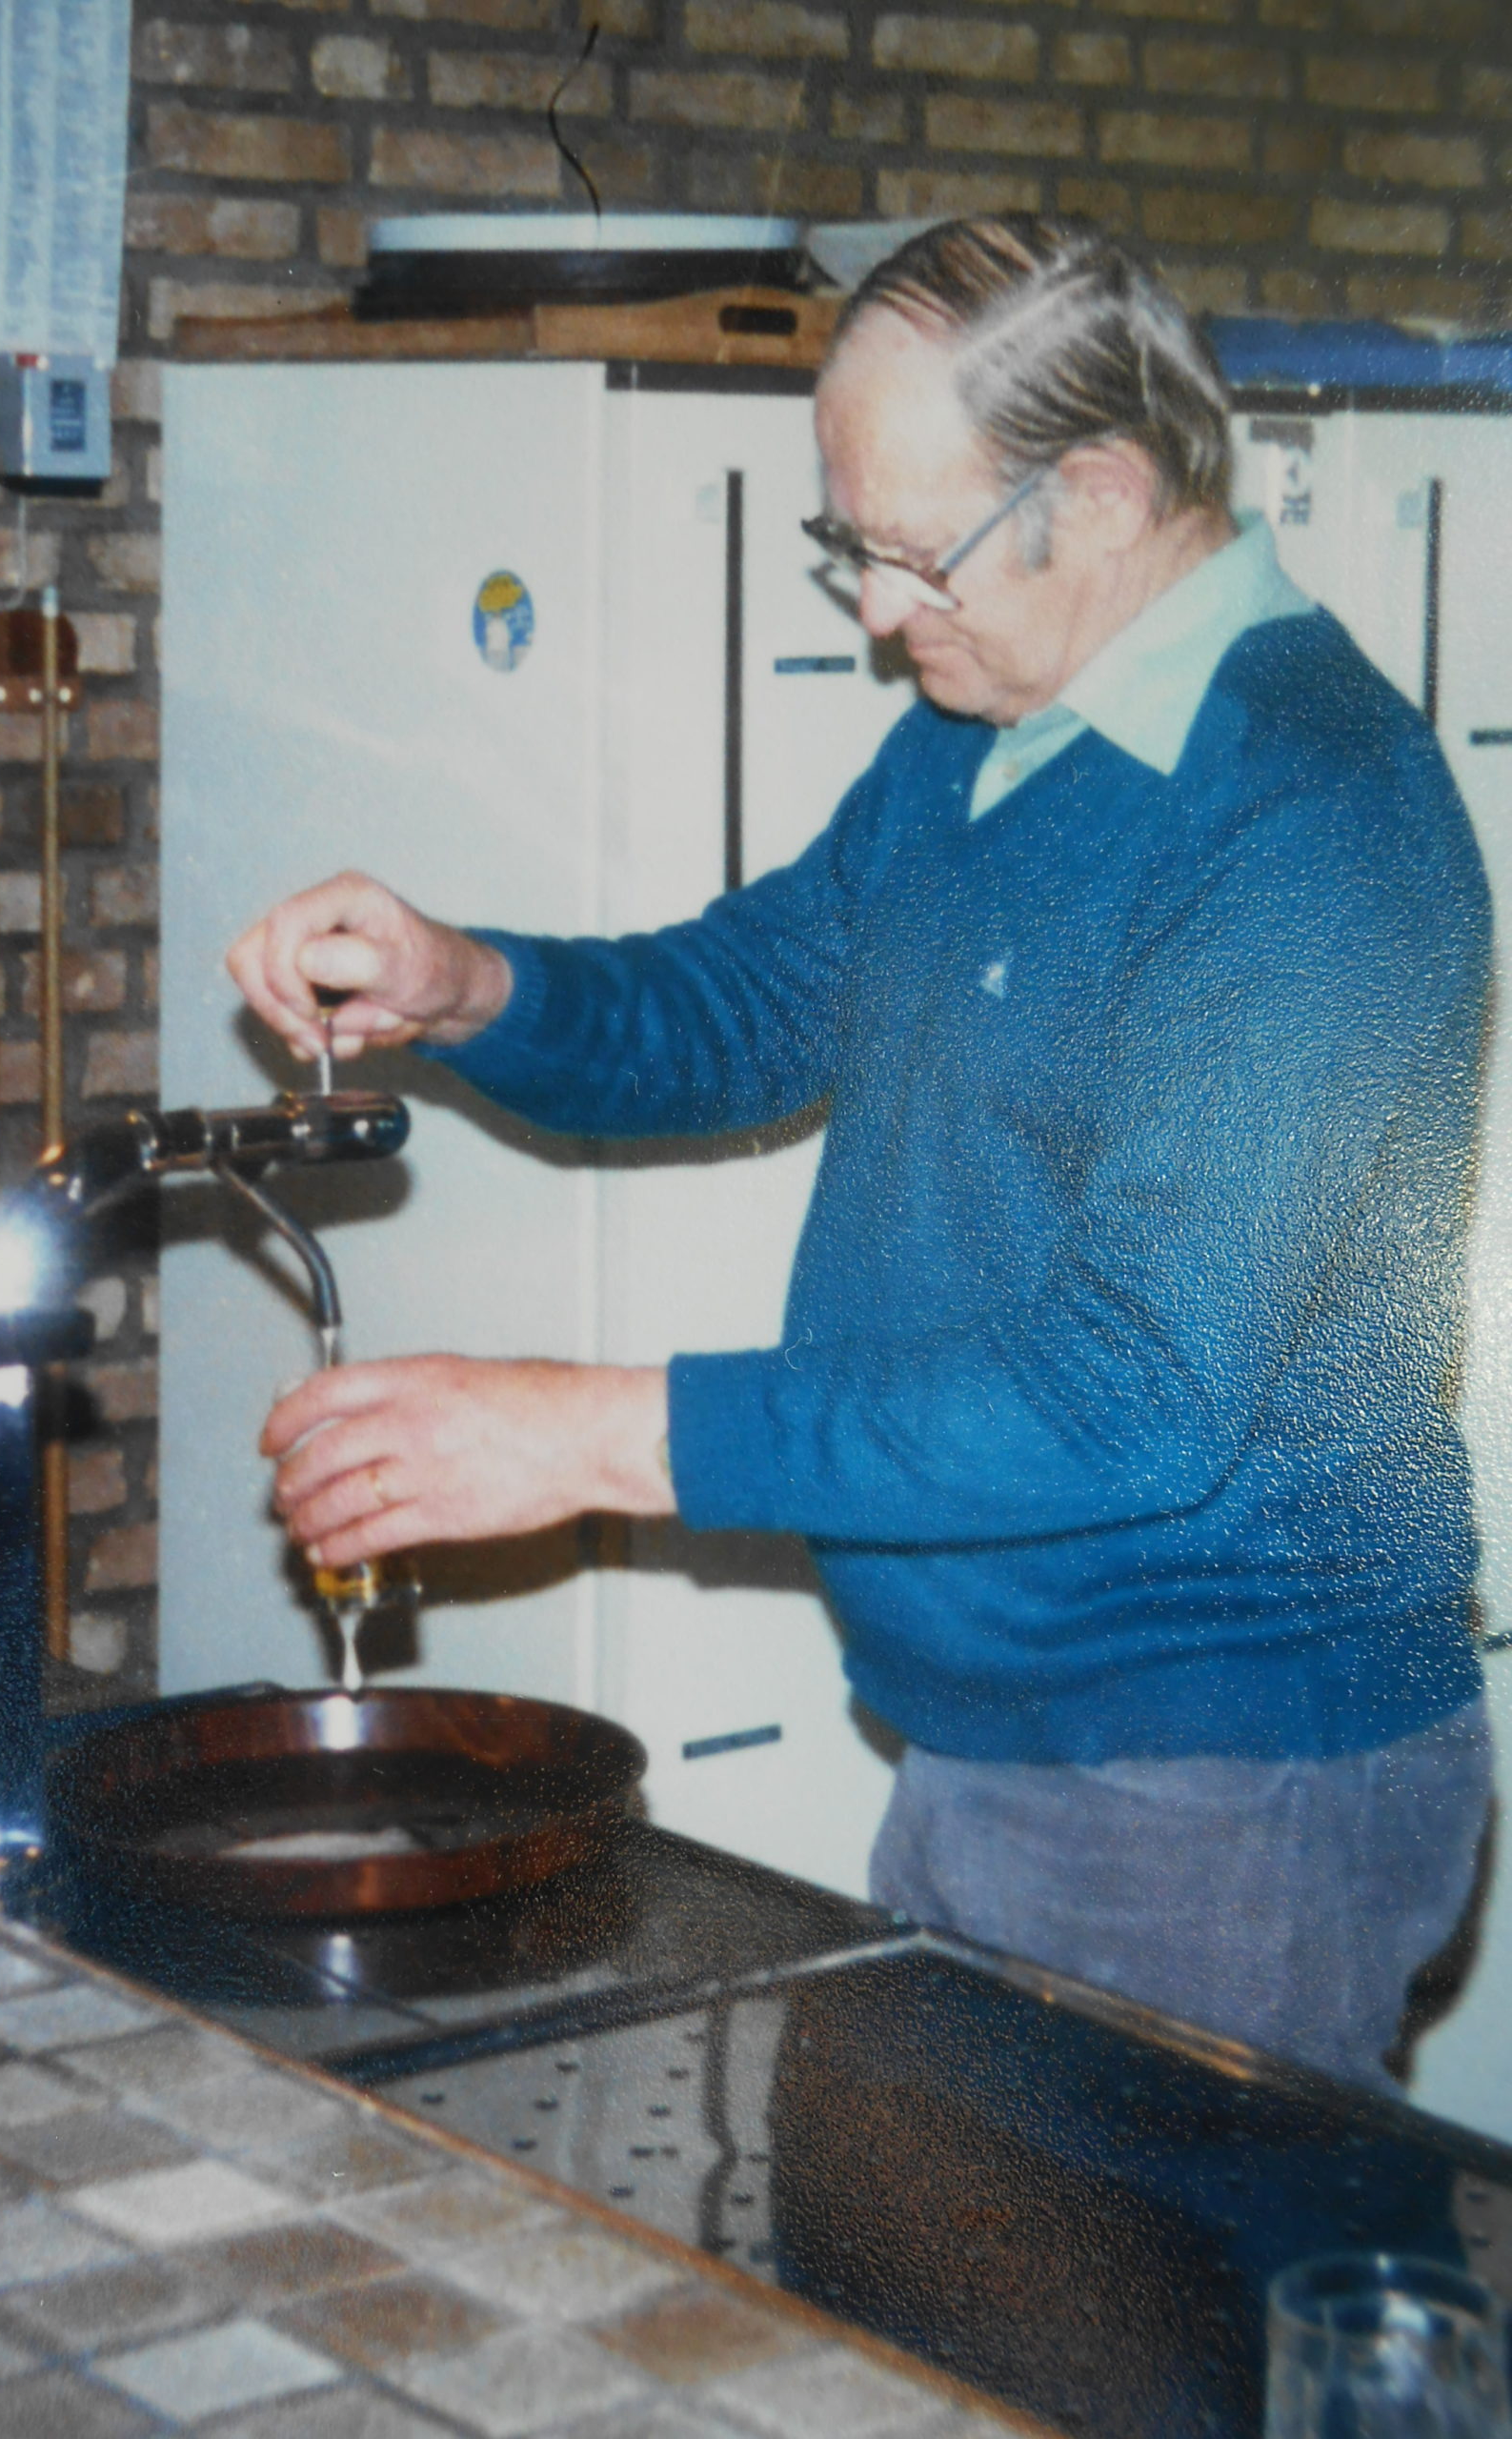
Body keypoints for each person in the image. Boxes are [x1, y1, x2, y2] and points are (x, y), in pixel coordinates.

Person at [227, 216, 1494, 2093]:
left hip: (1227, 1795)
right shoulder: (983, 739)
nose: (877, 616)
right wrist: (466, 979)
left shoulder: (1316, 822)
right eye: (854, 547)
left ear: (1108, 486)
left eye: (913, 553)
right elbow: (746, 1003)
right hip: (1004, 1752)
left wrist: (577, 1434)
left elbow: (1129, 1394)